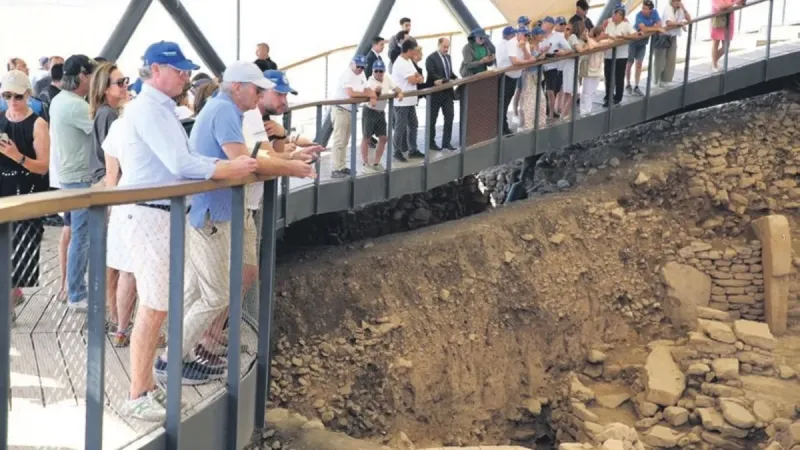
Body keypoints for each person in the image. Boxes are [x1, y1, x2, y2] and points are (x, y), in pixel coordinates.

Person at [117, 41, 258, 421]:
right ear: (156, 70)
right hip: (151, 215)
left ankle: (147, 387)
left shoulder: (160, 108)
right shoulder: (149, 109)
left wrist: (221, 166)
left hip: (163, 213)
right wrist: (228, 168)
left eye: (185, 70)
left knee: (157, 306)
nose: (185, 76)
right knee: (153, 308)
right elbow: (180, 163)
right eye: (178, 70)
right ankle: (138, 393)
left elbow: (186, 159)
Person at [167, 61, 315, 386]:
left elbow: (246, 157)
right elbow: (245, 162)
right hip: (212, 213)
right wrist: (291, 167)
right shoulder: (224, 111)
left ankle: (179, 353)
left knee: (197, 291)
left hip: (213, 210)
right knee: (215, 295)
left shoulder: (224, 110)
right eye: (257, 89)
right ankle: (170, 360)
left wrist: (288, 160)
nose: (260, 95)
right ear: (238, 87)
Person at [0, 71, 50, 324]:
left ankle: (9, 303)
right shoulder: (1, 120)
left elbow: (42, 166)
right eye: (7, 95)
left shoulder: (38, 124)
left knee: (20, 250)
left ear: (28, 95)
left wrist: (16, 156)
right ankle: (10, 297)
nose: (12, 101)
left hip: (28, 192)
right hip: (3, 190)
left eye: (18, 96)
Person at [49, 54, 97, 311]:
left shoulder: (60, 100)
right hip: (80, 178)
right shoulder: (76, 106)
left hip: (68, 176)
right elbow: (103, 132)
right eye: (93, 76)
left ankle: (72, 288)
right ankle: (77, 293)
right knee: (82, 236)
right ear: (82, 76)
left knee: (75, 234)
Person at [331, 55, 376, 178]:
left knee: (345, 140)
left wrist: (370, 94)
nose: (360, 69)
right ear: (352, 64)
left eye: (363, 67)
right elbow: (350, 93)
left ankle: (341, 166)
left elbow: (367, 89)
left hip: (350, 110)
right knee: (339, 140)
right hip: (340, 109)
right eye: (358, 66)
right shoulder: (347, 75)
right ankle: (336, 168)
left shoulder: (361, 75)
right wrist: (367, 94)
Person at [361, 60, 402, 172]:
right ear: (373, 71)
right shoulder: (370, 81)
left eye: (381, 71)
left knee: (383, 138)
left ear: (384, 71)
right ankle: (365, 163)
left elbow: (396, 87)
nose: (379, 73)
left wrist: (399, 92)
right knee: (367, 137)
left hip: (380, 112)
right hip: (369, 111)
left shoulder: (387, 77)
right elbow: (373, 95)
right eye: (376, 71)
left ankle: (376, 162)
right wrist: (376, 93)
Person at [391, 39, 425, 162]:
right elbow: (412, 79)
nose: (415, 53)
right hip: (402, 102)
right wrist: (417, 79)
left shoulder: (409, 61)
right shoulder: (400, 63)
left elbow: (418, 75)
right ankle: (397, 151)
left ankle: (412, 149)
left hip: (411, 100)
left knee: (413, 124)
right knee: (400, 127)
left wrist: (418, 78)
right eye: (414, 50)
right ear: (409, 50)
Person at [598, 6, 637, 107]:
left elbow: (635, 35)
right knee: (608, 77)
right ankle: (608, 96)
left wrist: (624, 37)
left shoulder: (626, 25)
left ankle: (618, 97)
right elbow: (604, 35)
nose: (613, 16)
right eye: (613, 14)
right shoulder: (609, 23)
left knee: (619, 77)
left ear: (621, 16)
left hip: (621, 56)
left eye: (616, 14)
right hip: (608, 55)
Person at [425, 37, 458, 151]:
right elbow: (432, 74)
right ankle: (430, 143)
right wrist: (446, 80)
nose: (446, 49)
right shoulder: (431, 58)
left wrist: (456, 78)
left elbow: (449, 72)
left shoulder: (448, 57)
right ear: (439, 45)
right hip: (435, 94)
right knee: (432, 119)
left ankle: (446, 142)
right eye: (444, 47)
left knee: (449, 116)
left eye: (448, 47)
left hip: (448, 93)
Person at [626, 0, 663, 96]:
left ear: (650, 10)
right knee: (630, 63)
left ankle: (636, 86)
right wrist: (656, 28)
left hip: (643, 43)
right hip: (633, 42)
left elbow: (660, 24)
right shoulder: (639, 15)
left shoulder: (654, 13)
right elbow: (643, 28)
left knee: (639, 64)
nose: (643, 10)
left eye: (645, 8)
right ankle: (628, 83)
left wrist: (655, 27)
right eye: (642, 8)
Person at [655, 0, 691, 87]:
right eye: (675, 1)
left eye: (679, 1)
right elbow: (669, 22)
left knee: (671, 59)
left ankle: (665, 80)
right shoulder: (668, 8)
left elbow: (689, 19)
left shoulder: (680, 9)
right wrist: (680, 24)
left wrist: (683, 8)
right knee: (660, 60)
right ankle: (656, 80)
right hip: (663, 36)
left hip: (673, 36)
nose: (677, 2)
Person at [520, 27, 548, 130]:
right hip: (530, 75)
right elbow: (528, 60)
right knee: (530, 101)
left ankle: (541, 123)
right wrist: (538, 58)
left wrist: (543, 53)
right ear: (535, 35)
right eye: (540, 34)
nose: (542, 36)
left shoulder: (538, 46)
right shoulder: (530, 46)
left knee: (541, 100)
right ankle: (529, 125)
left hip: (537, 74)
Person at [580, 28, 609, 115]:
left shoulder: (601, 42)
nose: (604, 34)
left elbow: (611, 41)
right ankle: (584, 111)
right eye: (602, 33)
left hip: (597, 69)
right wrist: (587, 37)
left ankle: (589, 109)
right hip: (589, 69)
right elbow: (591, 46)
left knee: (593, 91)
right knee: (586, 91)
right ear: (598, 34)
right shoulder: (590, 41)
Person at [711, 0, 741, 72]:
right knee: (716, 41)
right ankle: (714, 64)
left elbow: (739, 3)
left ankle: (714, 61)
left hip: (728, 18)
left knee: (726, 46)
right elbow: (720, 6)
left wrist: (739, 2)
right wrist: (734, 3)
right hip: (718, 17)